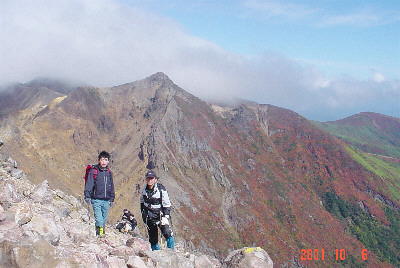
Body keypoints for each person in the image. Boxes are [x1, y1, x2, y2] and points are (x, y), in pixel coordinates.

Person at [140, 170, 175, 250]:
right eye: (148, 178)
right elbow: (142, 202)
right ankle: (156, 253)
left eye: (152, 178)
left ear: (155, 179)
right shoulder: (144, 190)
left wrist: (165, 217)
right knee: (152, 237)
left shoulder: (161, 189)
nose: (150, 180)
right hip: (149, 216)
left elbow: (167, 204)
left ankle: (171, 251)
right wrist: (143, 214)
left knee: (167, 233)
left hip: (160, 215)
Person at [84, 151, 115, 236]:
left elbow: (111, 186)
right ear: (99, 160)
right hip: (96, 199)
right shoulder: (94, 171)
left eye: (106, 160)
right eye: (102, 160)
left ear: (108, 161)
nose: (104, 162)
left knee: (104, 219)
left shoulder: (109, 173)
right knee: (99, 219)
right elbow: (89, 184)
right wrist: (87, 196)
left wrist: (112, 198)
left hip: (106, 200)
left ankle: (101, 232)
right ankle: (100, 235)